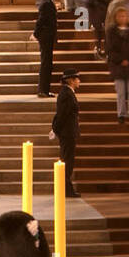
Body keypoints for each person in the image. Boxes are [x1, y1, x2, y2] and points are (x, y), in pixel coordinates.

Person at [107, 6, 129, 121]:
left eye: (124, 15)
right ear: (116, 17)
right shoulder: (111, 32)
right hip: (118, 66)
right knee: (121, 91)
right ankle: (121, 114)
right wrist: (121, 60)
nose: (122, 18)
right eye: (120, 16)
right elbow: (110, 48)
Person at [52, 68, 81, 197]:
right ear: (71, 80)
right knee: (67, 161)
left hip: (68, 132)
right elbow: (62, 114)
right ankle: (66, 189)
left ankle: (66, 188)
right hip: (67, 133)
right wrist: (55, 129)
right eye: (77, 78)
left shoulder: (68, 93)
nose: (79, 81)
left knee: (68, 160)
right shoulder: (66, 94)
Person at [33, 0, 59, 98]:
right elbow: (41, 20)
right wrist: (35, 34)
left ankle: (45, 90)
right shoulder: (46, 3)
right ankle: (42, 90)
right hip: (46, 37)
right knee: (46, 63)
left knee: (48, 63)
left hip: (48, 36)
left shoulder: (49, 2)